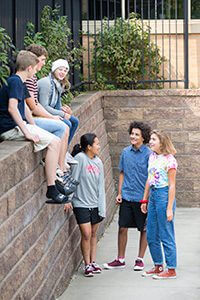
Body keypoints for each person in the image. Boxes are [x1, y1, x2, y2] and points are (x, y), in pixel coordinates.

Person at [0, 50, 68, 205]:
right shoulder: (16, 81)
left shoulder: (19, 82)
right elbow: (12, 108)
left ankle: (54, 182)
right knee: (54, 142)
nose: (37, 70)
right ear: (29, 68)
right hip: (10, 128)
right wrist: (27, 132)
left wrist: (33, 127)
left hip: (19, 126)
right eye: (36, 67)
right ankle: (52, 187)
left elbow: (23, 107)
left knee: (54, 140)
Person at [103, 121, 151, 271]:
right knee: (122, 227)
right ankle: (120, 259)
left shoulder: (149, 155)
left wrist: (146, 198)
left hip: (142, 198)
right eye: (132, 133)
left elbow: (151, 177)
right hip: (127, 196)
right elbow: (122, 173)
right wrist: (119, 193)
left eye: (137, 134)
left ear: (143, 137)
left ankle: (140, 259)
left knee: (143, 229)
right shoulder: (125, 152)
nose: (133, 136)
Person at [64, 133, 106, 277]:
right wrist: (68, 199)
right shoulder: (80, 159)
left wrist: (102, 207)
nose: (99, 146)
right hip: (80, 202)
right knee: (86, 234)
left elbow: (101, 186)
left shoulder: (99, 162)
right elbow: (73, 180)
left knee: (94, 234)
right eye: (97, 144)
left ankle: (93, 262)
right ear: (89, 147)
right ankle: (86, 264)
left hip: (95, 203)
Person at [141, 130, 177, 279]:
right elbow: (149, 179)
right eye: (150, 139)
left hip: (164, 195)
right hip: (154, 195)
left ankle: (171, 269)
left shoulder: (170, 160)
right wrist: (145, 199)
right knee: (151, 233)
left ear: (162, 142)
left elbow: (172, 185)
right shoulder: (152, 157)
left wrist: (169, 208)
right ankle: (158, 265)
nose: (150, 141)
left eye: (153, 139)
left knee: (165, 233)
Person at [37, 59, 79, 151]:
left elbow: (57, 105)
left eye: (65, 70)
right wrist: (63, 115)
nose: (62, 72)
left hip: (50, 112)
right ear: (54, 70)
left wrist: (65, 111)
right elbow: (44, 106)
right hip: (41, 114)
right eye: (60, 69)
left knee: (75, 121)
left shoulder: (58, 84)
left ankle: (64, 150)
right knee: (67, 123)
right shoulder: (46, 83)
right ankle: (58, 151)